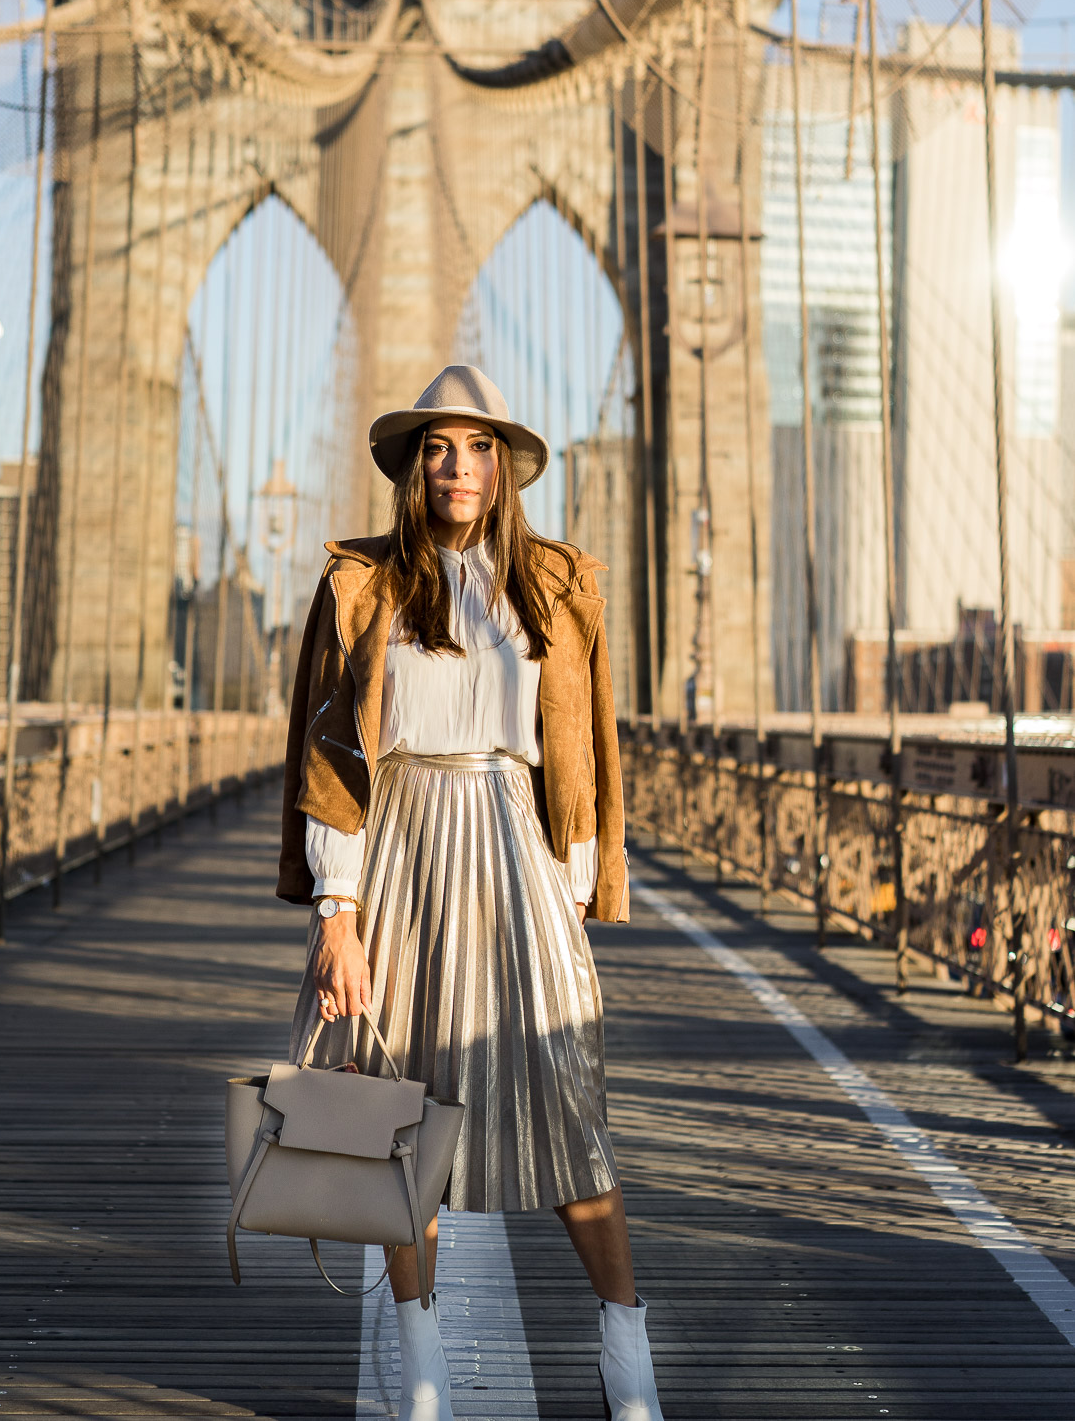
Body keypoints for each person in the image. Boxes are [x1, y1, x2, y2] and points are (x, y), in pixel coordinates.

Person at [278, 365, 663, 1421]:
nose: (458, 468)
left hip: (512, 846)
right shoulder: (361, 583)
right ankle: (421, 1367)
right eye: (438, 449)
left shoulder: (554, 581)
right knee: (396, 1115)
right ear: (413, 468)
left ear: (503, 466)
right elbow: (328, 753)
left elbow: (581, 744)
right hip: (398, 848)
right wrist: (336, 913)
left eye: (478, 447)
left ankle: (624, 1349)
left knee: (568, 1104)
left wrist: (575, 879)